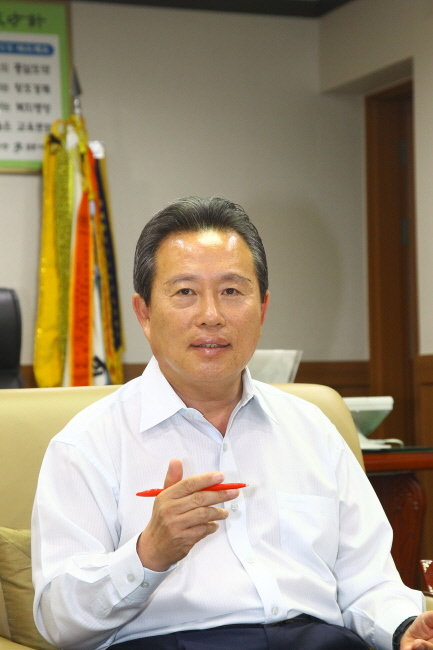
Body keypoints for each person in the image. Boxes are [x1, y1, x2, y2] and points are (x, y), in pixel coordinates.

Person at [32, 196, 433, 650]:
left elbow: (369, 582)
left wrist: (402, 628)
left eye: (231, 291)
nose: (211, 316)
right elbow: (58, 620)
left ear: (262, 309)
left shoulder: (312, 429)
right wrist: (147, 554)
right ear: (144, 314)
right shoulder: (87, 444)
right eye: (185, 292)